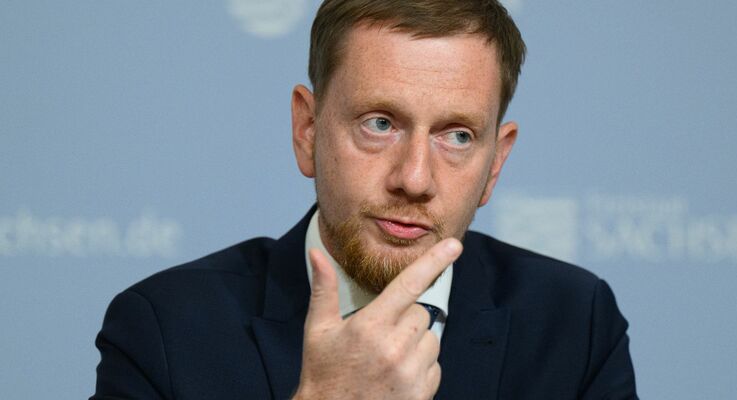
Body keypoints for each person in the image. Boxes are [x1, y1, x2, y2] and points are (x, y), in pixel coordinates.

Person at [91, 1, 637, 399]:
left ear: (495, 163)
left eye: (458, 136)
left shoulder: (574, 325)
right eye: (380, 124)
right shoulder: (165, 330)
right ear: (307, 129)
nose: (415, 178)